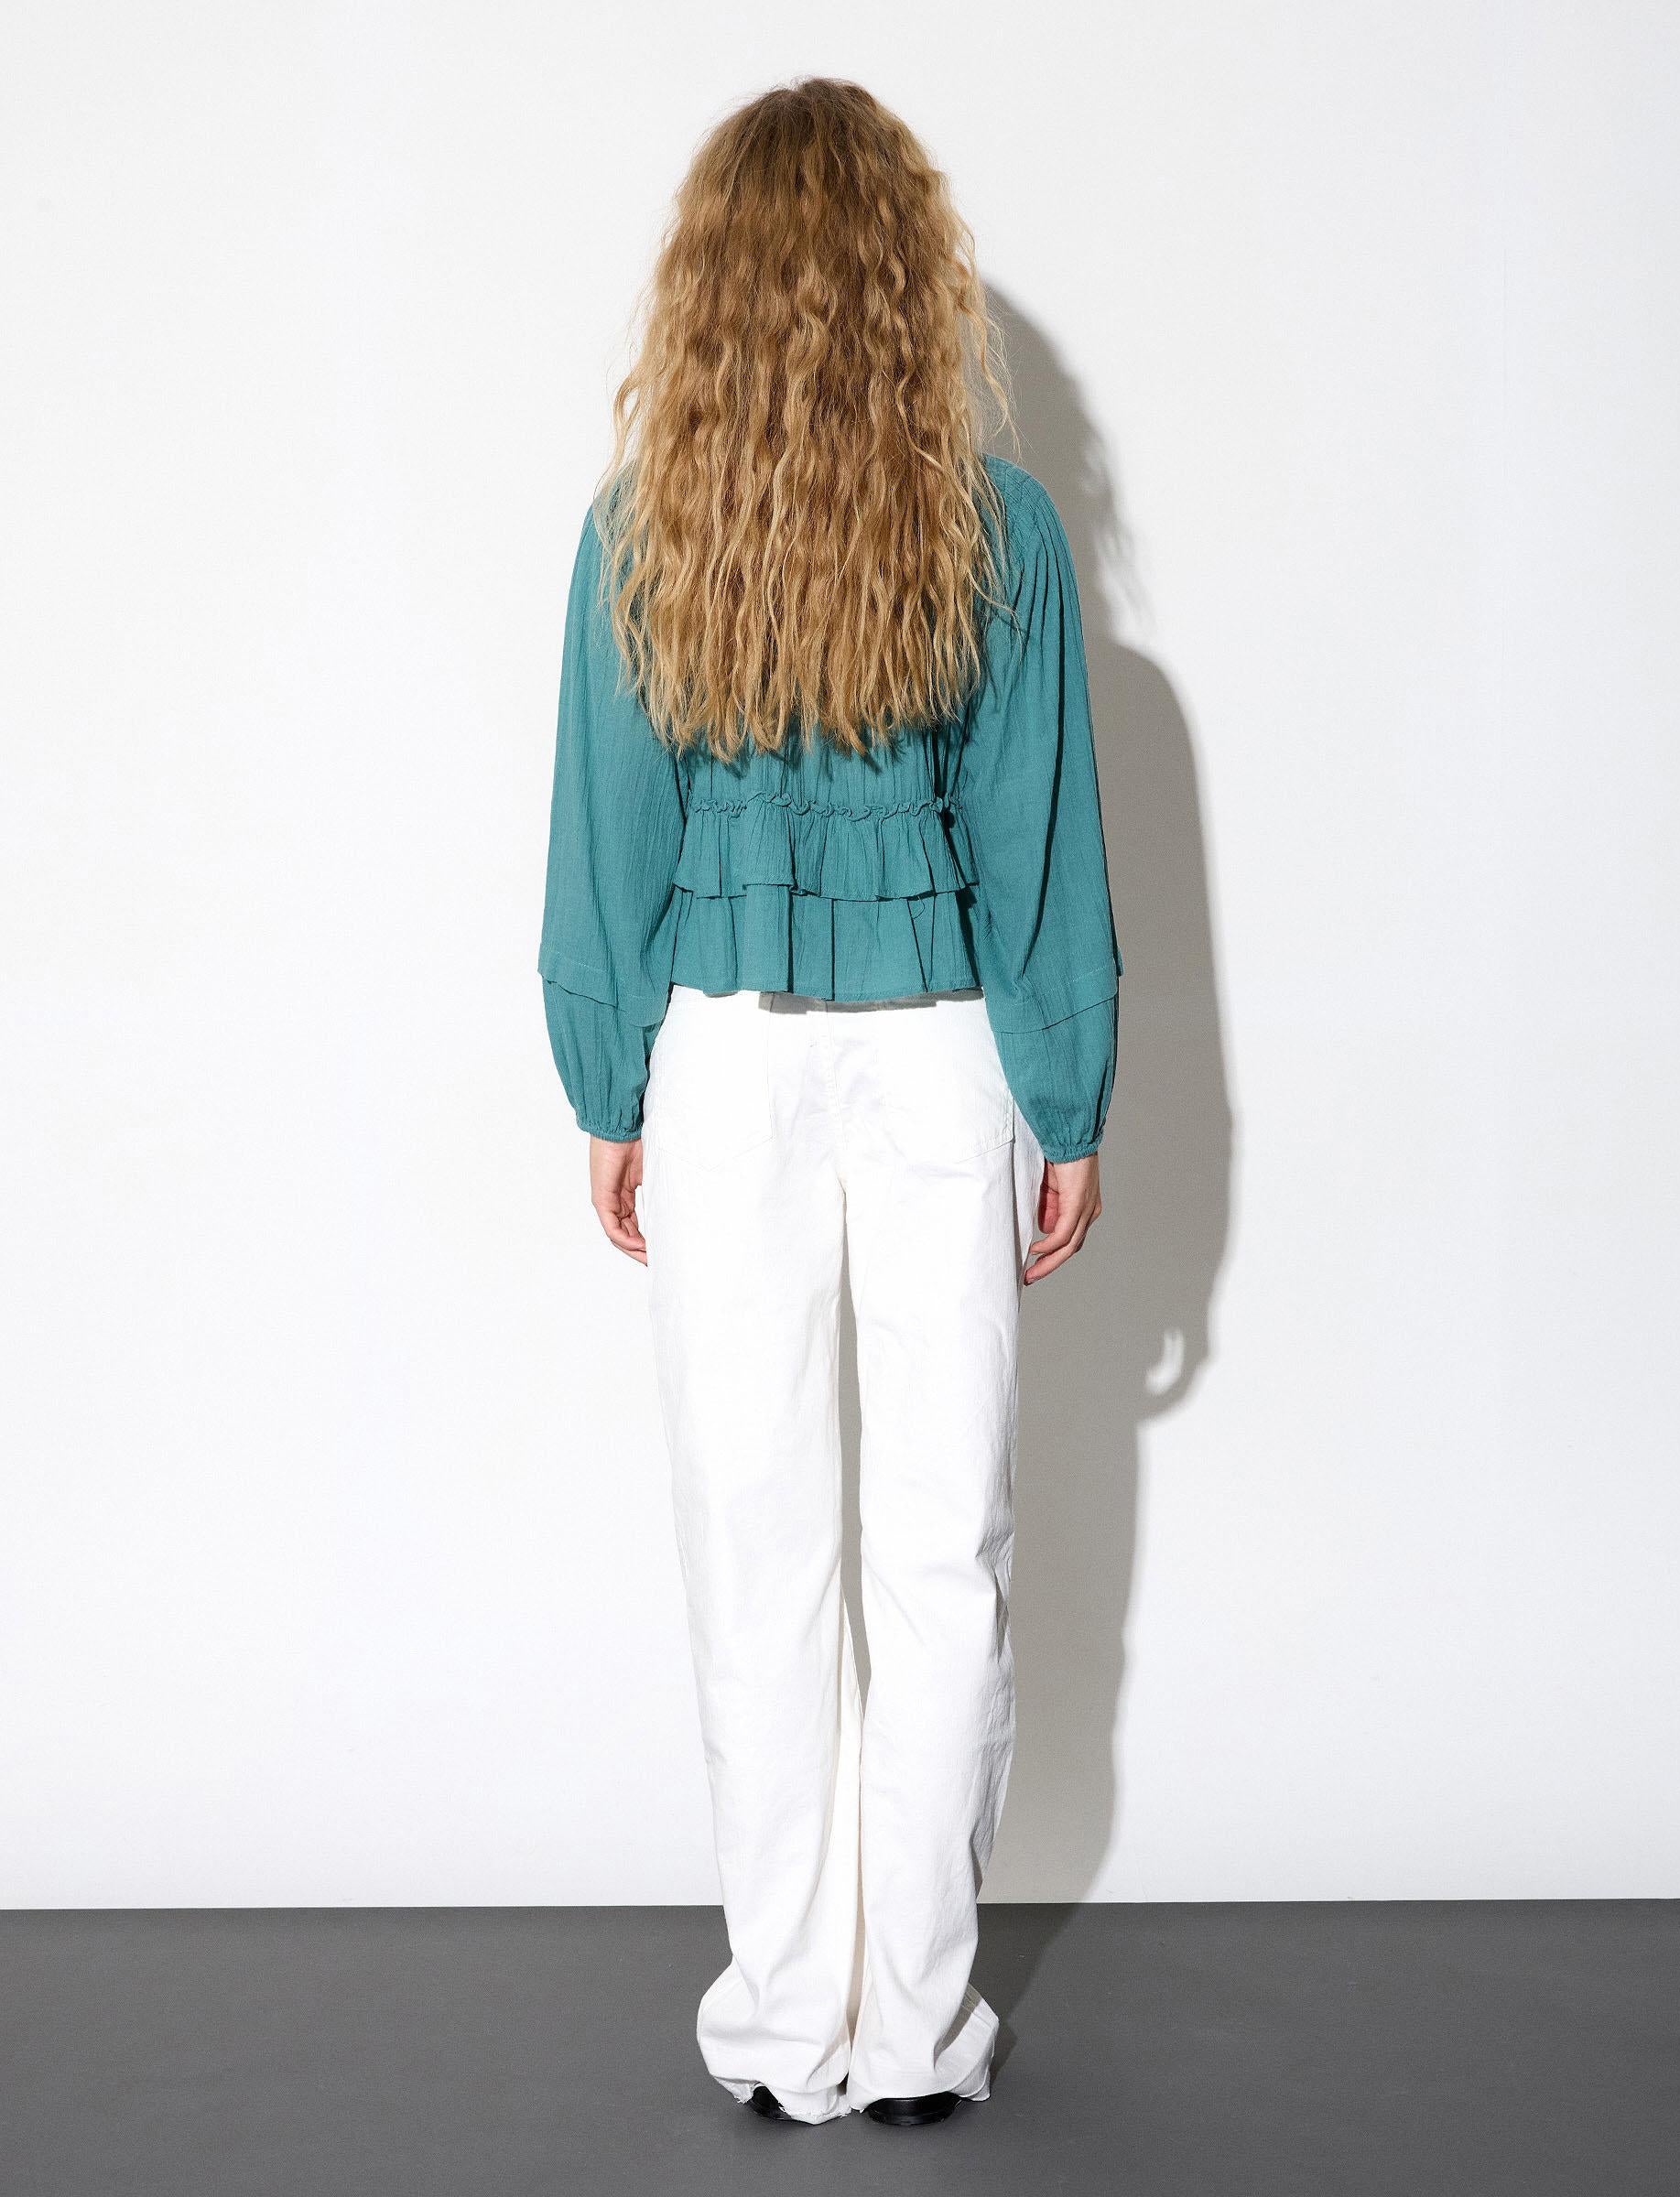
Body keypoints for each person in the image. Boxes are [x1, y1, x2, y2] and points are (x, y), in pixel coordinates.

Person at [538, 78, 1122, 2129]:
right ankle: (917, 2030)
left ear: (707, 283)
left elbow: (604, 841)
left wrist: (607, 1081)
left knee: (755, 1541)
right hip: (946, 1054)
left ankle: (790, 2017)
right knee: (944, 1549)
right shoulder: (998, 533)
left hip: (723, 1058)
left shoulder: (645, 533)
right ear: (905, 274)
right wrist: (1069, 1102)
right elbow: (1036, 847)